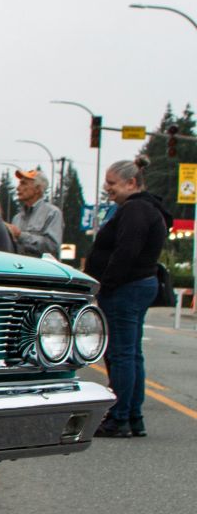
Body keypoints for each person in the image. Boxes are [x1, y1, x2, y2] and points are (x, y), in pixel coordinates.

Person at [86, 158, 171, 438]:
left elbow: (126, 251)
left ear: (131, 183)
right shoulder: (149, 209)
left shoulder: (135, 210)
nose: (107, 188)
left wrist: (105, 285)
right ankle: (133, 415)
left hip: (125, 287)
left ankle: (119, 417)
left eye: (112, 183)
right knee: (131, 353)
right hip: (140, 284)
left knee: (121, 354)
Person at [7, 167, 63, 258]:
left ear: (37, 189)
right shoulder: (17, 218)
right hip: (20, 268)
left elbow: (52, 247)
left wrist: (20, 235)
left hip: (41, 270)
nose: (18, 188)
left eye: (23, 183)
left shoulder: (52, 213)